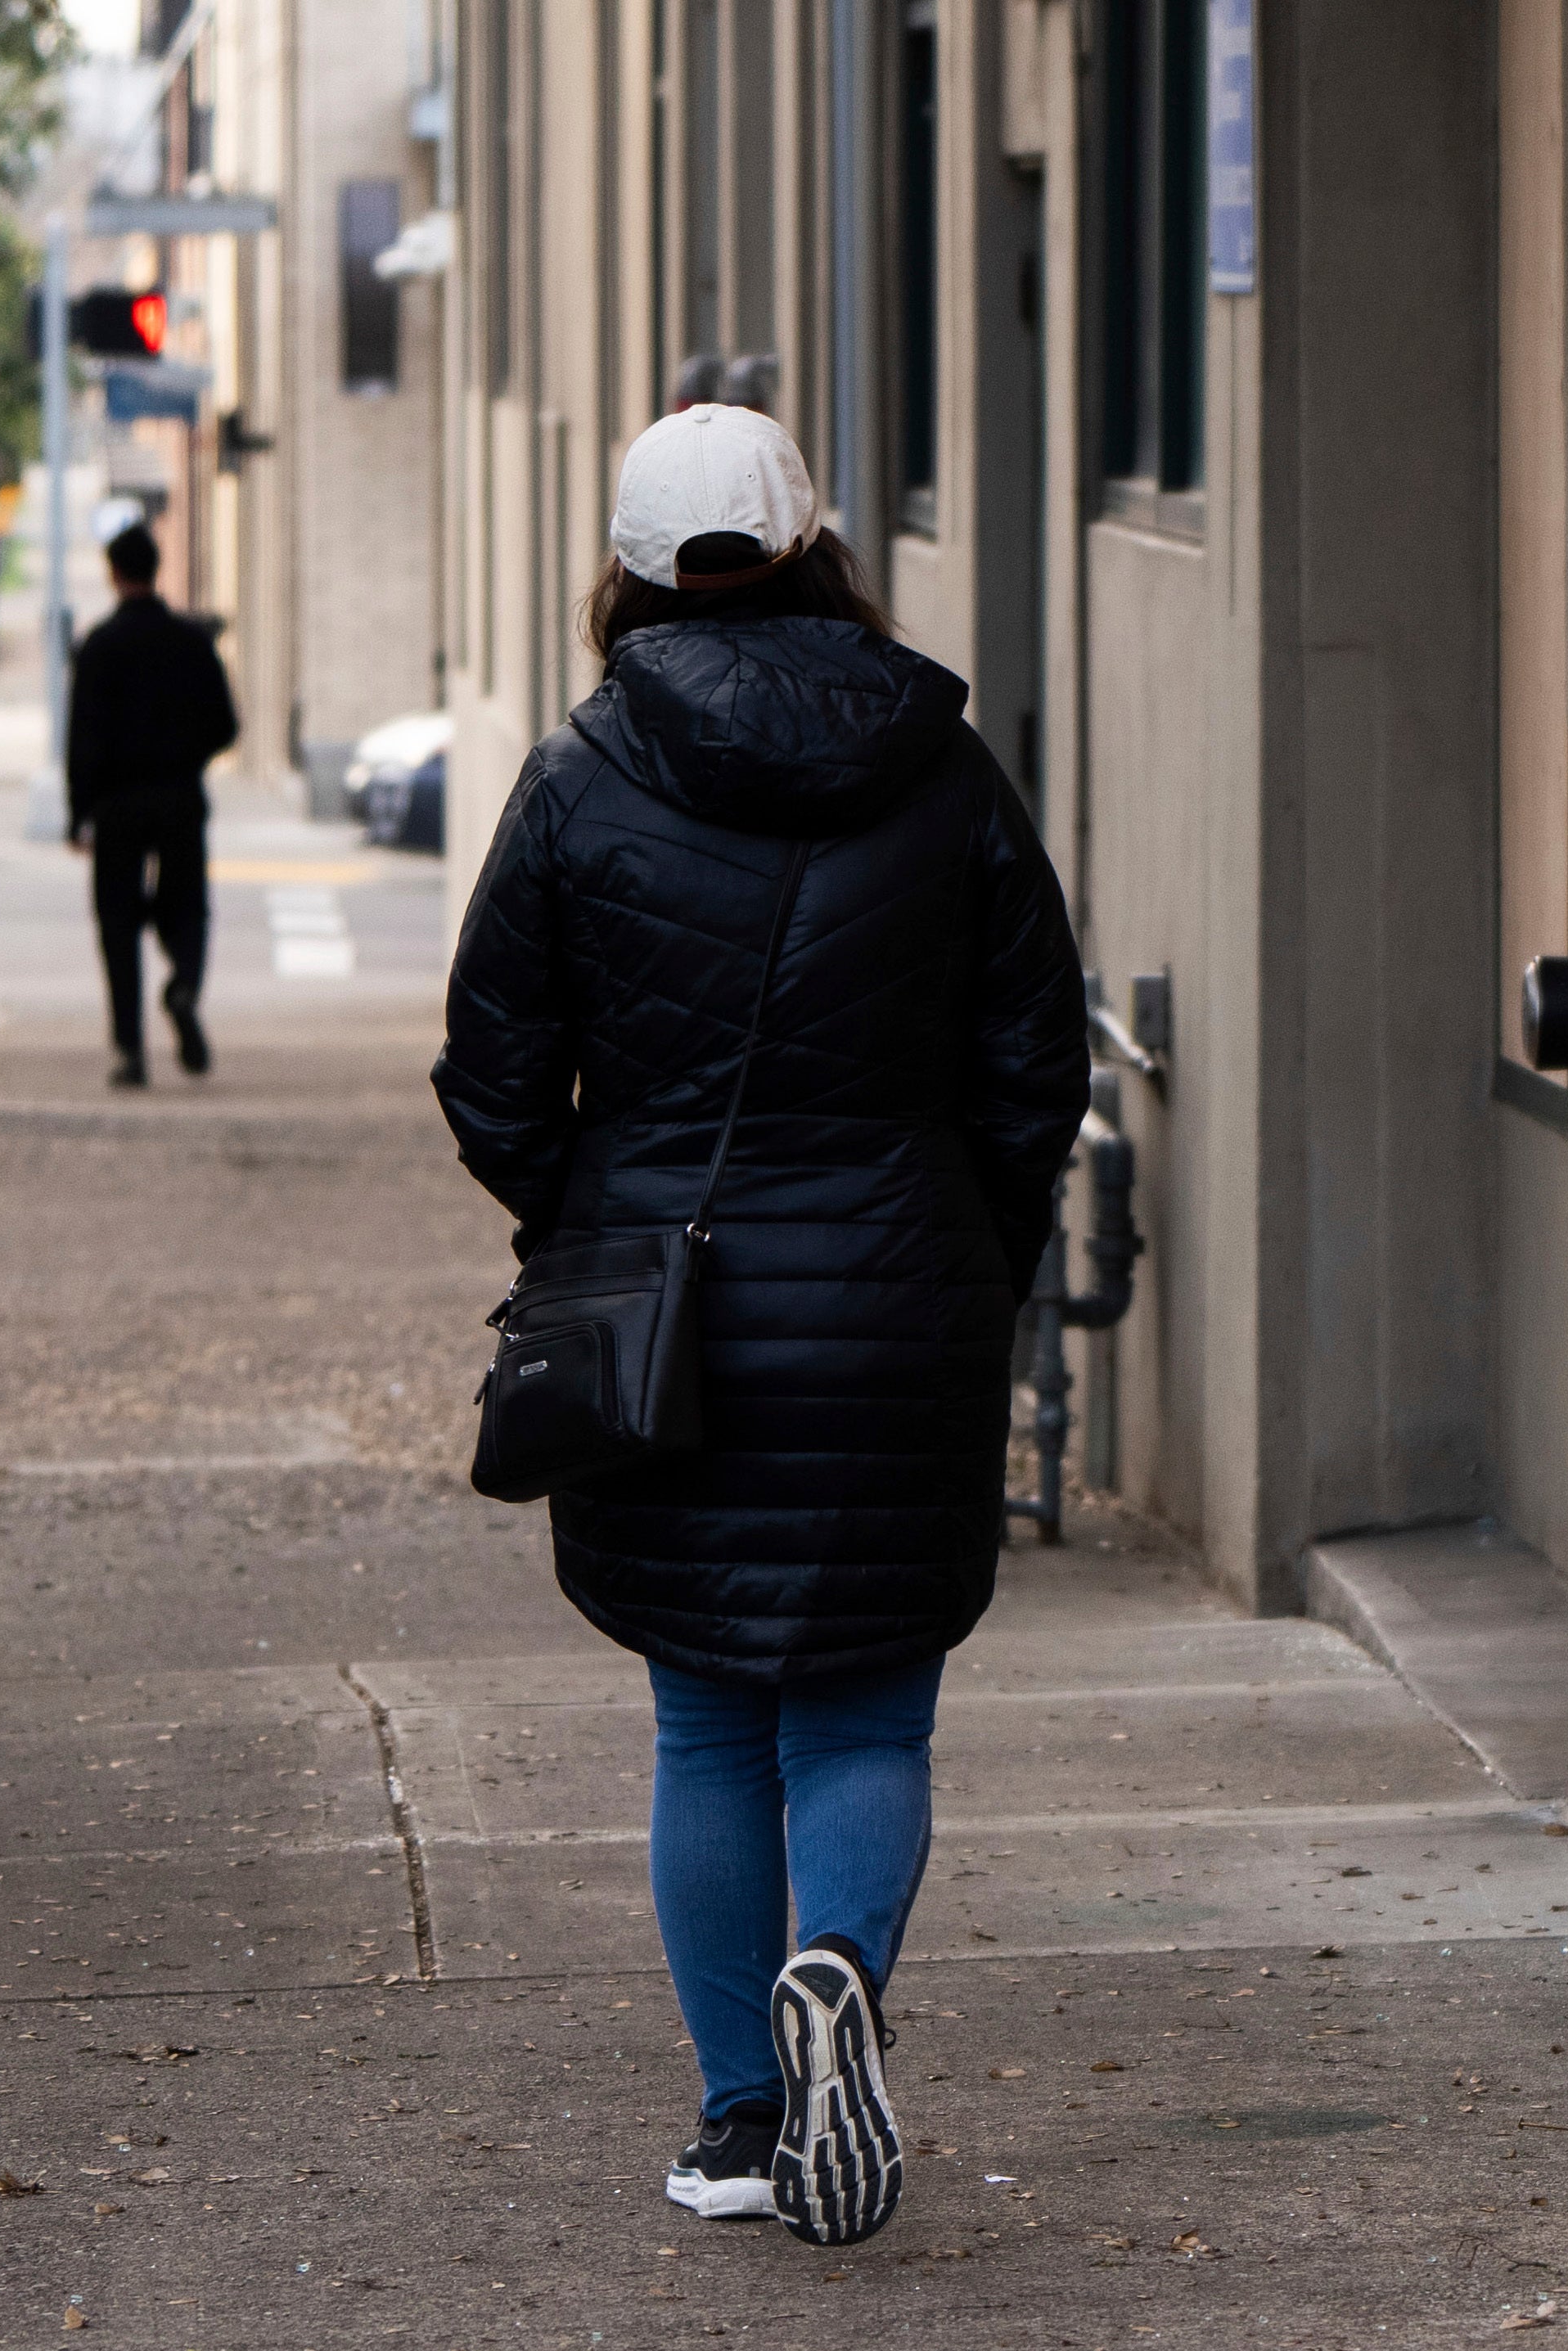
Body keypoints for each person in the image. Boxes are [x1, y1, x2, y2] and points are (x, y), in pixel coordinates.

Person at [430, 405, 1087, 2245]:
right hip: (900, 1303)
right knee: (868, 1712)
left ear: (626, 573)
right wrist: (975, 1246)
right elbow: (1038, 1056)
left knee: (707, 1724)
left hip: (671, 1329)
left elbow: (489, 1074)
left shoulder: (576, 777)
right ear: (820, 550)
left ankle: (739, 2121)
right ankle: (840, 1979)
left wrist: (587, 1219)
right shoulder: (945, 772)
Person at [60, 520, 239, 1089]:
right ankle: (184, 986)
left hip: (117, 803)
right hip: (179, 795)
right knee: (187, 907)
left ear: (115, 574)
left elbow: (81, 739)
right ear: (156, 570)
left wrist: (78, 812)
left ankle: (130, 1051)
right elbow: (225, 725)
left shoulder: (100, 646)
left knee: (117, 924)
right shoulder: (191, 642)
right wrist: (186, 757)